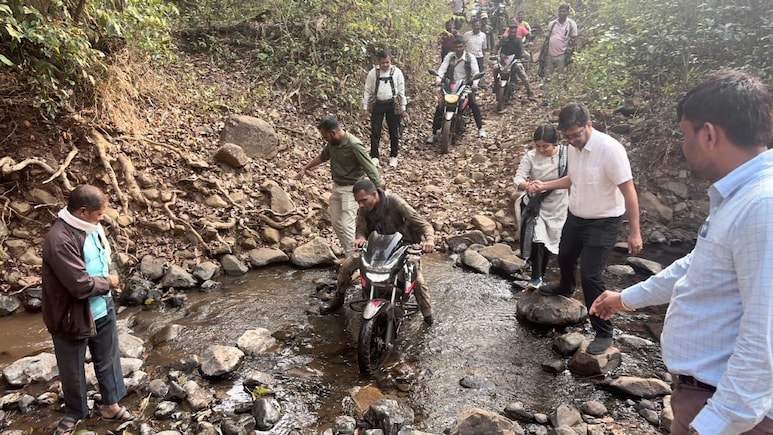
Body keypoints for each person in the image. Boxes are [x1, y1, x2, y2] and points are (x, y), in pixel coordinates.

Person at [590, 71, 773, 435]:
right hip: (705, 396)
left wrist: (713, 424)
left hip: (726, 410)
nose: (683, 145)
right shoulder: (741, 197)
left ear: (708, 134)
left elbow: (765, 336)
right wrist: (626, 298)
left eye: (684, 134)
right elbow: (696, 266)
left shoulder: (763, 205)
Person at [531, 103, 642, 355]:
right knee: (565, 254)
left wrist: (634, 231)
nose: (572, 141)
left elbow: (629, 191)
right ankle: (566, 287)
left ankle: (604, 332)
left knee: (591, 275)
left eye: (576, 135)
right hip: (576, 216)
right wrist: (545, 185)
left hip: (603, 222)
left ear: (589, 125)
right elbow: (573, 179)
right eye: (567, 137)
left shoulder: (610, 150)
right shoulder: (573, 148)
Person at [42, 185, 134, 435]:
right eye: (99, 213)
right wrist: (110, 283)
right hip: (71, 315)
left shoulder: (91, 227)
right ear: (83, 211)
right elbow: (79, 285)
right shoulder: (59, 239)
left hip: (101, 306)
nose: (103, 218)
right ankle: (75, 413)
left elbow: (102, 258)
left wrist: (107, 283)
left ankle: (111, 405)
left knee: (108, 358)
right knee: (72, 368)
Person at [322, 179, 436, 324]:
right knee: (347, 265)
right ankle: (338, 299)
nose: (361, 205)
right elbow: (361, 229)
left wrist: (429, 240)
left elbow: (423, 223)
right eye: (358, 202)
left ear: (374, 195)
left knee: (417, 280)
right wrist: (361, 238)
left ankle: (427, 315)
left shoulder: (395, 202)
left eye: (363, 200)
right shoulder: (363, 209)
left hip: (403, 247)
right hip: (376, 248)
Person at [297, 116, 384, 253]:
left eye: (325, 137)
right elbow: (322, 157)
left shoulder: (354, 145)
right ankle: (350, 252)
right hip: (337, 186)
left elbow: (369, 167)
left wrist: (379, 188)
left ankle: (355, 257)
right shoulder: (332, 144)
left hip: (352, 189)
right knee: (336, 222)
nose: (325, 140)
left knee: (347, 224)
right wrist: (305, 168)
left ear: (333, 133)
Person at [514, 124, 568, 288]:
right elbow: (518, 179)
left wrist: (546, 185)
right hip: (536, 204)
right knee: (537, 236)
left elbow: (574, 179)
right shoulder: (530, 156)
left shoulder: (566, 156)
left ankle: (542, 275)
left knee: (550, 241)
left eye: (545, 146)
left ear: (555, 144)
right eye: (538, 146)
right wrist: (528, 186)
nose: (541, 150)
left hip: (559, 204)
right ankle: (535, 278)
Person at [427, 36, 486, 143]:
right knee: (440, 107)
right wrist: (438, 79)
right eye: (456, 47)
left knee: (473, 103)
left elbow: (475, 72)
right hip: (450, 85)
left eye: (460, 47)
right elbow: (442, 69)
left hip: (465, 85)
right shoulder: (450, 57)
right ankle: (434, 133)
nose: (458, 49)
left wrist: (475, 83)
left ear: (464, 46)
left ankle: (480, 128)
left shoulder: (470, 57)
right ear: (453, 47)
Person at [362, 50, 407, 168]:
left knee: (394, 131)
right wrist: (365, 108)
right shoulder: (373, 73)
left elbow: (401, 91)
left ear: (390, 60)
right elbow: (367, 90)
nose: (385, 65)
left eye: (387, 62)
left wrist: (403, 107)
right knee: (375, 131)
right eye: (383, 63)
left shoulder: (397, 72)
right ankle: (374, 156)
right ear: (378, 62)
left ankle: (393, 156)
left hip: (392, 104)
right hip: (378, 104)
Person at [540, 4, 578, 107]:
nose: (562, 13)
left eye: (564, 11)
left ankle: (558, 99)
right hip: (550, 55)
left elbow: (574, 40)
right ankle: (545, 100)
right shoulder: (552, 24)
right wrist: (542, 54)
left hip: (562, 55)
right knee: (547, 78)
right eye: (560, 11)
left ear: (568, 12)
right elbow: (547, 39)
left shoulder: (571, 24)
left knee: (560, 78)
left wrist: (572, 55)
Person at [495, 24, 535, 100]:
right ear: (509, 32)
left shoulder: (518, 40)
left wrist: (522, 57)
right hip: (504, 60)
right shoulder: (504, 39)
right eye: (511, 32)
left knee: (523, 75)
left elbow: (521, 50)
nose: (513, 34)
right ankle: (495, 83)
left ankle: (530, 92)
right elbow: (497, 46)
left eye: (514, 32)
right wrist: (493, 53)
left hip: (514, 60)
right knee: (495, 68)